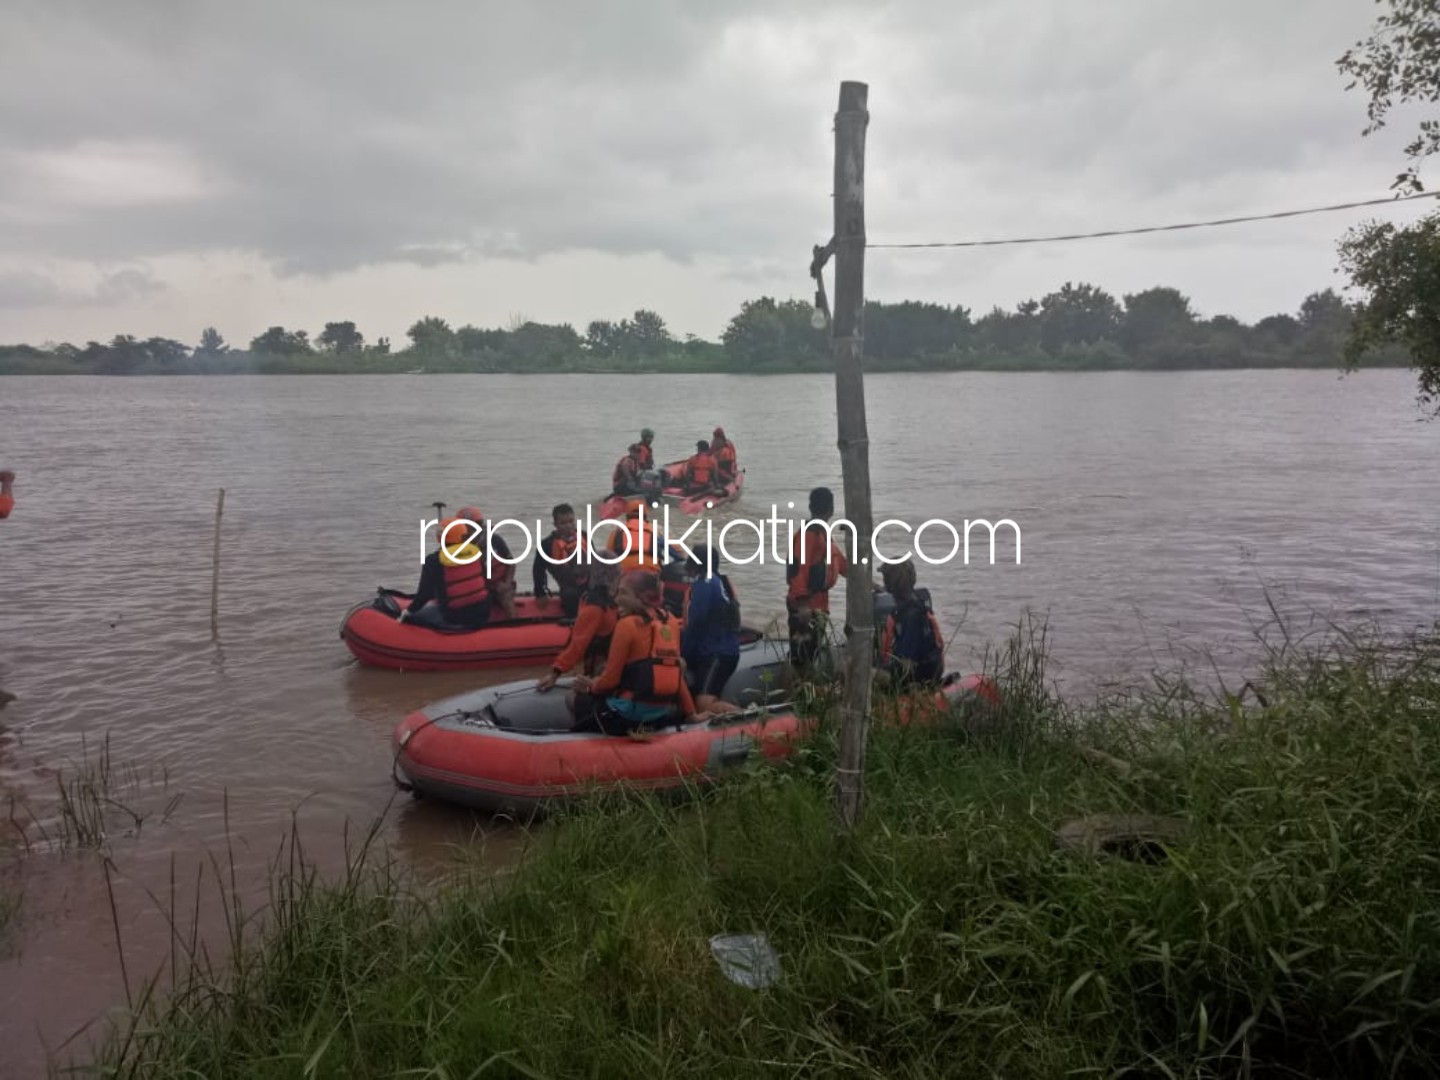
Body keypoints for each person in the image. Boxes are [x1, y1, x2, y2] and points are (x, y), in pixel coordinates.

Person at [571, 570, 709, 735]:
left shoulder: (626, 625)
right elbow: (674, 672)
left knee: (573, 699)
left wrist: (590, 686)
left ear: (641, 597)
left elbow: (610, 681)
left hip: (627, 716)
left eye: (623, 593)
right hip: (661, 715)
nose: (616, 599)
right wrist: (691, 714)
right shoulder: (670, 621)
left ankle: (588, 744)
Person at [785, 486, 848, 672]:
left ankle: (807, 689)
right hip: (806, 608)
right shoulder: (810, 534)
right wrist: (803, 606)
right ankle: (799, 694)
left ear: (811, 507)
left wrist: (873, 585)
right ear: (831, 509)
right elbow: (798, 570)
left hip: (818, 608)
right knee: (802, 660)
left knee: (810, 656)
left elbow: (842, 565)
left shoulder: (823, 535)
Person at [399, 515, 497, 630]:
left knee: (415, 617)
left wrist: (408, 612)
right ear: (463, 535)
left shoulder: (433, 560)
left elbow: (424, 595)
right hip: (483, 613)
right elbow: (485, 581)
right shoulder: (475, 552)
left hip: (454, 617)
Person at [536, 562, 620, 694]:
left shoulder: (595, 607)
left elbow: (577, 644)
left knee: (576, 701)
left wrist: (555, 673)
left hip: (603, 671)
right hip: (615, 670)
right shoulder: (615, 604)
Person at [681, 545, 741, 714]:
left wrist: (683, 655)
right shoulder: (722, 582)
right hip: (726, 649)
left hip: (716, 654)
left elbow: (695, 624)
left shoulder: (704, 584)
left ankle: (748, 721)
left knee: (704, 703)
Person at [877, 560, 946, 689]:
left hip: (917, 677)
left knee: (858, 673)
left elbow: (903, 662)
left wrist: (877, 670)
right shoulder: (915, 602)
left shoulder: (912, 617)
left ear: (891, 583)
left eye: (885, 578)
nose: (884, 582)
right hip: (921, 671)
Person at [533, 502, 588, 618]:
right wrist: (540, 593)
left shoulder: (584, 536)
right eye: (563, 523)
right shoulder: (546, 545)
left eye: (571, 521)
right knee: (570, 595)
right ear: (555, 524)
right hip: (568, 587)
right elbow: (538, 571)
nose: (568, 526)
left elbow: (596, 563)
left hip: (589, 584)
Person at [606, 496, 676, 572]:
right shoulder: (657, 529)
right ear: (645, 515)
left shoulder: (617, 530)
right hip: (650, 569)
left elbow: (608, 555)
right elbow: (677, 551)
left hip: (623, 571)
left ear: (627, 515)